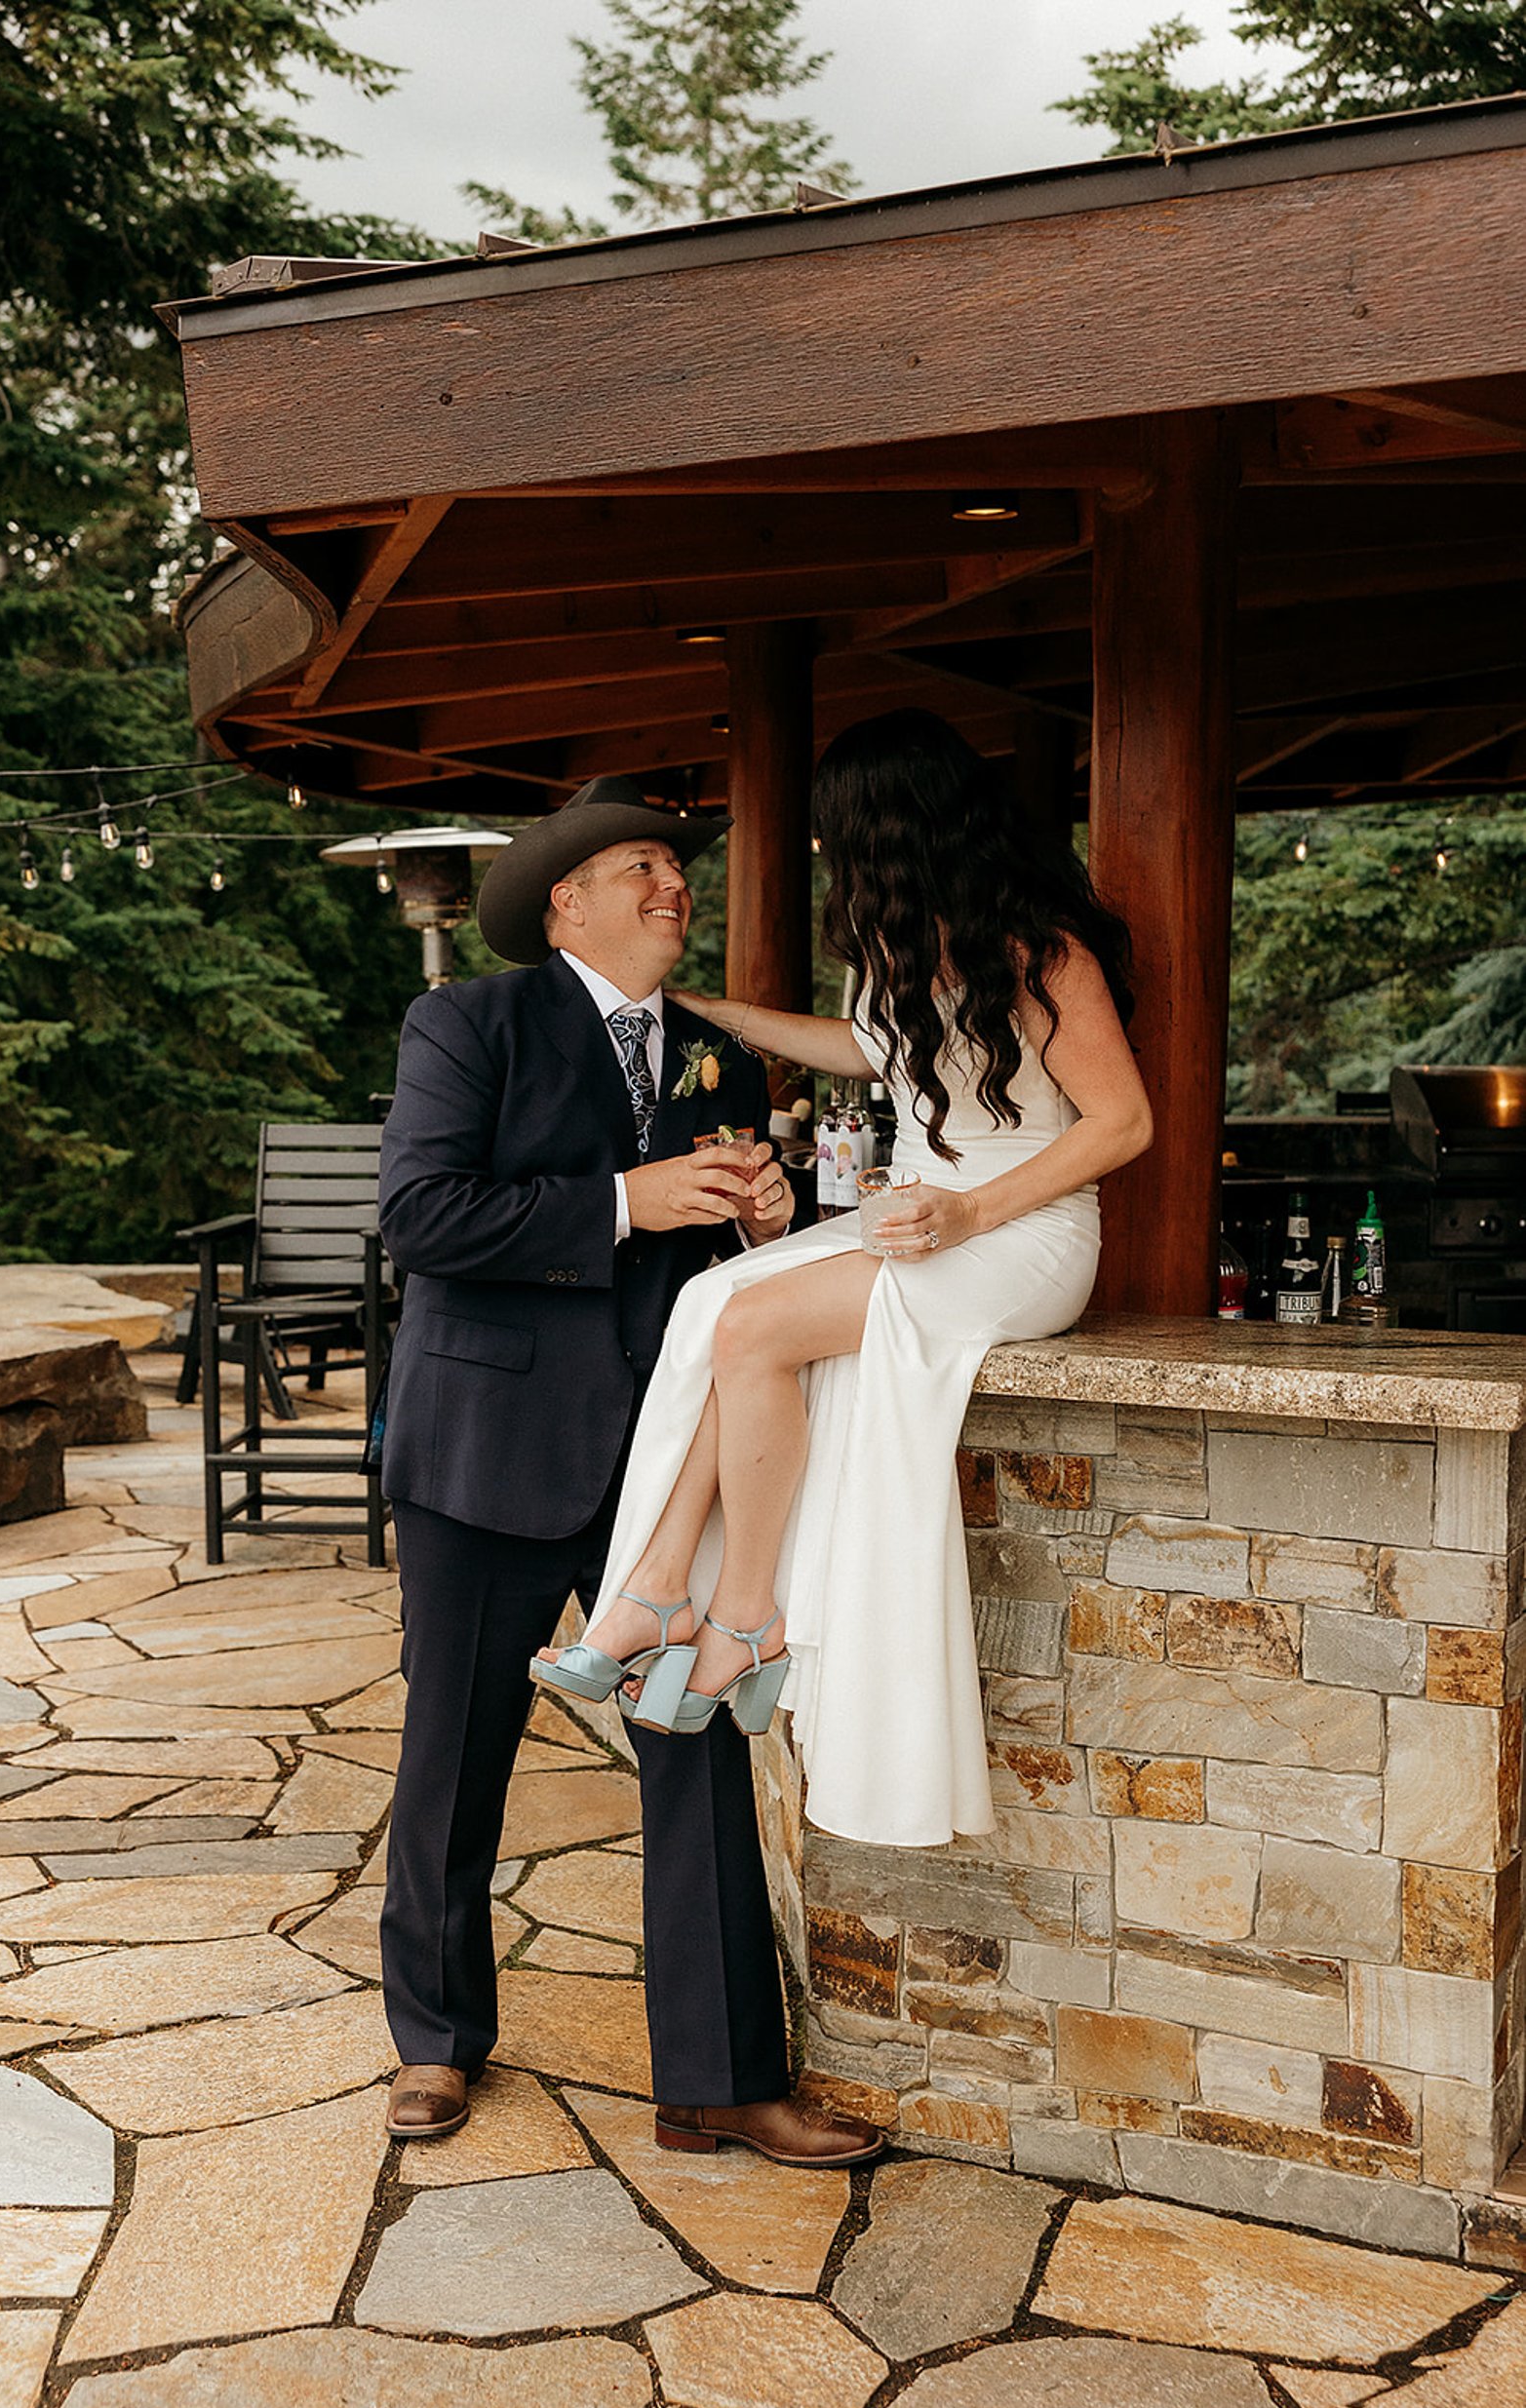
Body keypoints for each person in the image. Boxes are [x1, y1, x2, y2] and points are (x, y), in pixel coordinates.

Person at [374, 774, 885, 2166]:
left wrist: (765, 1219)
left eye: (675, 866)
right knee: (452, 1758)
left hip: (665, 1464)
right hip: (483, 1451)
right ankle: (433, 2040)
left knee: (696, 1749)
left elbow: (734, 1270)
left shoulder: (719, 1056)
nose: (673, 886)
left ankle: (719, 2081)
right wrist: (620, 1201)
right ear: (568, 903)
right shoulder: (465, 1022)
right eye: (642, 868)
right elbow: (419, 1216)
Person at [545, 711, 1153, 1849]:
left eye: (839, 834)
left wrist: (968, 1210)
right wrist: (708, 1013)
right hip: (919, 1213)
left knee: (758, 1327)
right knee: (714, 1305)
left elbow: (1121, 1123)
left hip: (1022, 1230)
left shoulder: (1042, 952)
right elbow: (863, 1048)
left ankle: (739, 1613)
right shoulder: (897, 946)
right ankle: (665, 1585)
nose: (830, 856)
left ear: (893, 829)